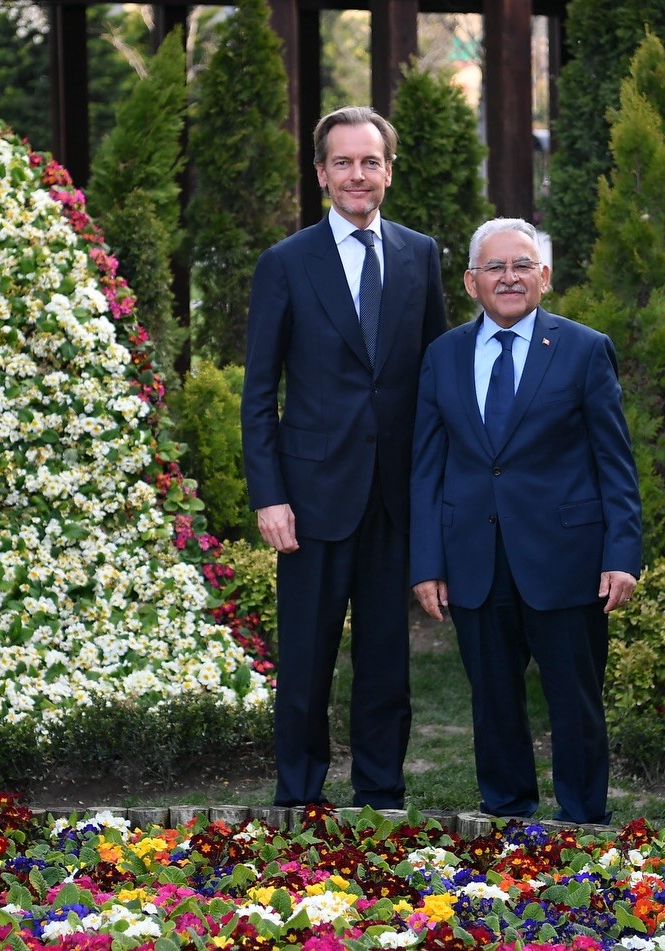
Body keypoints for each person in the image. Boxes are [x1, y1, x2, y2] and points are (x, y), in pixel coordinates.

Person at [242, 105, 449, 809]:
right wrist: (269, 495)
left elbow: (436, 377)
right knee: (305, 661)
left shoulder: (420, 255)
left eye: (370, 161)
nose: (357, 175)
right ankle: (298, 797)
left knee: (387, 664)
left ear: (389, 170)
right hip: (310, 499)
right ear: (322, 173)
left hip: (392, 499)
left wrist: (434, 495)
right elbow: (259, 390)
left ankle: (381, 794)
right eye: (343, 162)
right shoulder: (286, 263)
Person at [409, 216, 643, 824]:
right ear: (470, 282)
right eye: (495, 267)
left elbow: (613, 461)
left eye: (522, 266)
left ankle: (583, 819)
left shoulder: (585, 349)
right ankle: (507, 815)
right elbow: (427, 468)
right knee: (493, 701)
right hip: (474, 559)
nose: (509, 278)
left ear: (544, 276)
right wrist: (427, 563)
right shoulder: (443, 356)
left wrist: (622, 553)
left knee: (575, 699)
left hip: (566, 558)